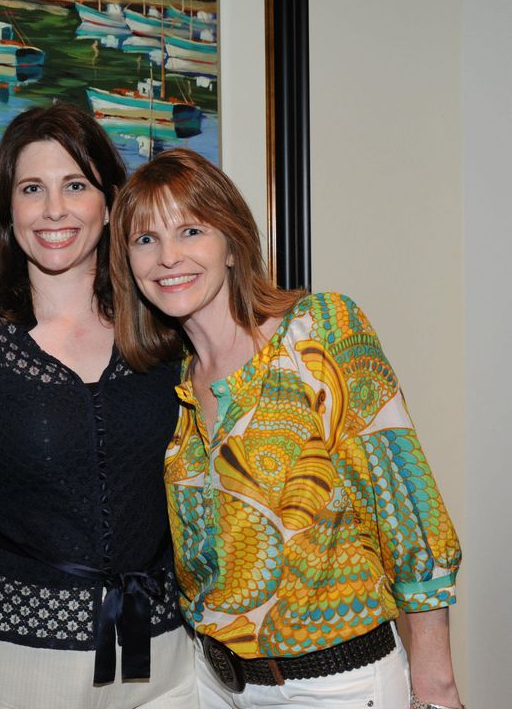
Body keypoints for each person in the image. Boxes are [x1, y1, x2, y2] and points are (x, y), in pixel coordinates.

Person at [109, 148, 463, 709]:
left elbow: (410, 515)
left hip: (338, 687)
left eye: (191, 230)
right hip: (214, 683)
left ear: (231, 244)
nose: (168, 256)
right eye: (145, 240)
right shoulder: (171, 383)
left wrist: (436, 686)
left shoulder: (317, 330)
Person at [0, 104, 198, 708]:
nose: (54, 209)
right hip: (17, 658)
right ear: (9, 210)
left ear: (110, 203)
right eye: (33, 188)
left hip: (162, 659)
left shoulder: (166, 332)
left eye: (75, 185)